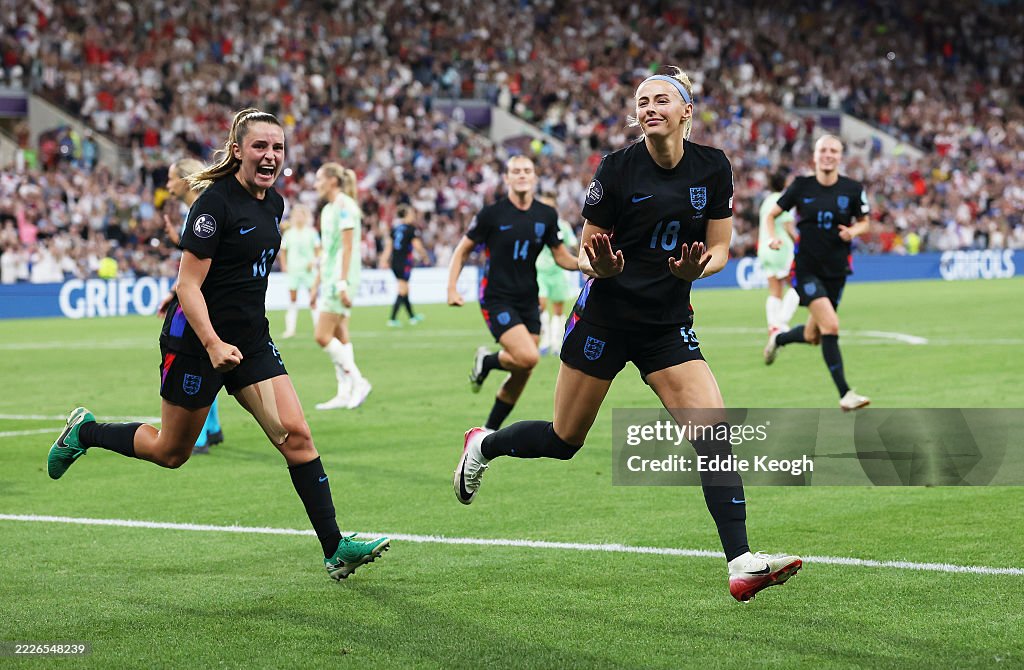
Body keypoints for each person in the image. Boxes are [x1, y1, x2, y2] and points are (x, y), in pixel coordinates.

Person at [452, 69, 801, 602]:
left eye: (661, 99)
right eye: (641, 101)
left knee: (713, 434)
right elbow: (591, 250)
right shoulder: (615, 169)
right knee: (564, 440)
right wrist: (605, 268)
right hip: (605, 321)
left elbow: (722, 249)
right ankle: (485, 443)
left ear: (687, 111)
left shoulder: (714, 167)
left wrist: (695, 271)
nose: (649, 108)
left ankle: (741, 561)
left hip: (665, 325)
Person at [47, 108, 389, 580]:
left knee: (297, 438)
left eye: (278, 147)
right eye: (260, 146)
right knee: (171, 452)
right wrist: (211, 344)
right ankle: (84, 432)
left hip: (250, 343)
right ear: (237, 151)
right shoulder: (214, 205)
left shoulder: (276, 204)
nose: (270, 155)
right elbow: (189, 287)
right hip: (195, 342)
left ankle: (335, 548)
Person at [447, 155, 577, 431]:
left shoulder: (546, 215)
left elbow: (561, 256)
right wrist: (451, 288)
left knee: (523, 371)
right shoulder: (491, 215)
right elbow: (462, 250)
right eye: (515, 171)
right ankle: (488, 360)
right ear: (506, 178)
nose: (521, 175)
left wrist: (588, 266)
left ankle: (487, 433)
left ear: (534, 178)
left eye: (527, 170)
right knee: (529, 357)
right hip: (497, 297)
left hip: (528, 299)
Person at [762, 134, 871, 412]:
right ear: (815, 155)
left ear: (840, 156)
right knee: (831, 326)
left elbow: (865, 222)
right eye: (824, 150)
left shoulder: (852, 188)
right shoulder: (801, 186)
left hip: (837, 271)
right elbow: (771, 215)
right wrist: (772, 237)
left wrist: (852, 231)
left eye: (834, 150)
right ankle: (845, 394)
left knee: (814, 336)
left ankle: (779, 338)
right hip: (806, 271)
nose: (828, 155)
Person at [161, 157, 224, 455]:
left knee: (192, 364)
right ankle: (212, 427)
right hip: (212, 299)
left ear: (185, 181)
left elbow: (200, 269)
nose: (168, 184)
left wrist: (179, 292)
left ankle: (197, 437)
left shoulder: (200, 212)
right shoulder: (203, 209)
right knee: (211, 363)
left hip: (203, 302)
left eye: (171, 178)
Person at [310, 162, 372, 411]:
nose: (315, 185)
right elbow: (328, 251)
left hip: (341, 278)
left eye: (318, 179)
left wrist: (342, 283)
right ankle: (344, 392)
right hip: (331, 276)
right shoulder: (328, 210)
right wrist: (317, 283)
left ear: (332, 181)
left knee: (321, 335)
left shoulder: (346, 206)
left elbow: (348, 247)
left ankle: (359, 382)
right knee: (339, 334)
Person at [535, 193, 579, 356]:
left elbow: (573, 245)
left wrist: (582, 258)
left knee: (558, 310)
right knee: (541, 305)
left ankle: (556, 342)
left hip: (559, 272)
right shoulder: (536, 226)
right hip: (541, 272)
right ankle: (545, 341)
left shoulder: (563, 226)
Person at [757, 170, 799, 335]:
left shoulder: (766, 201)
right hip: (780, 248)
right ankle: (781, 322)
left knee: (775, 290)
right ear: (785, 184)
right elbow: (789, 229)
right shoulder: (782, 201)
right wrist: (801, 242)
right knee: (797, 285)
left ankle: (773, 325)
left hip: (765, 249)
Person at [380, 203, 429, 327]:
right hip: (405, 262)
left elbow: (389, 247)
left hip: (395, 262)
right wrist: (424, 256)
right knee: (402, 290)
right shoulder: (411, 229)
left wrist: (384, 260)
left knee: (405, 289)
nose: (413, 216)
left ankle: (412, 317)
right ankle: (392, 319)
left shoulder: (395, 229)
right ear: (406, 215)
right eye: (411, 214)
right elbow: (417, 246)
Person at [279, 203, 320, 339]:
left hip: (309, 271)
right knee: (292, 299)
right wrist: (284, 266)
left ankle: (318, 328)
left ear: (306, 217)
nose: (299, 218)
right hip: (294, 271)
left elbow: (318, 251)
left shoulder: (312, 233)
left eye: (301, 215)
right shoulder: (289, 233)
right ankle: (290, 330)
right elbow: (283, 252)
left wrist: (314, 261)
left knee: (313, 300)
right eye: (296, 215)